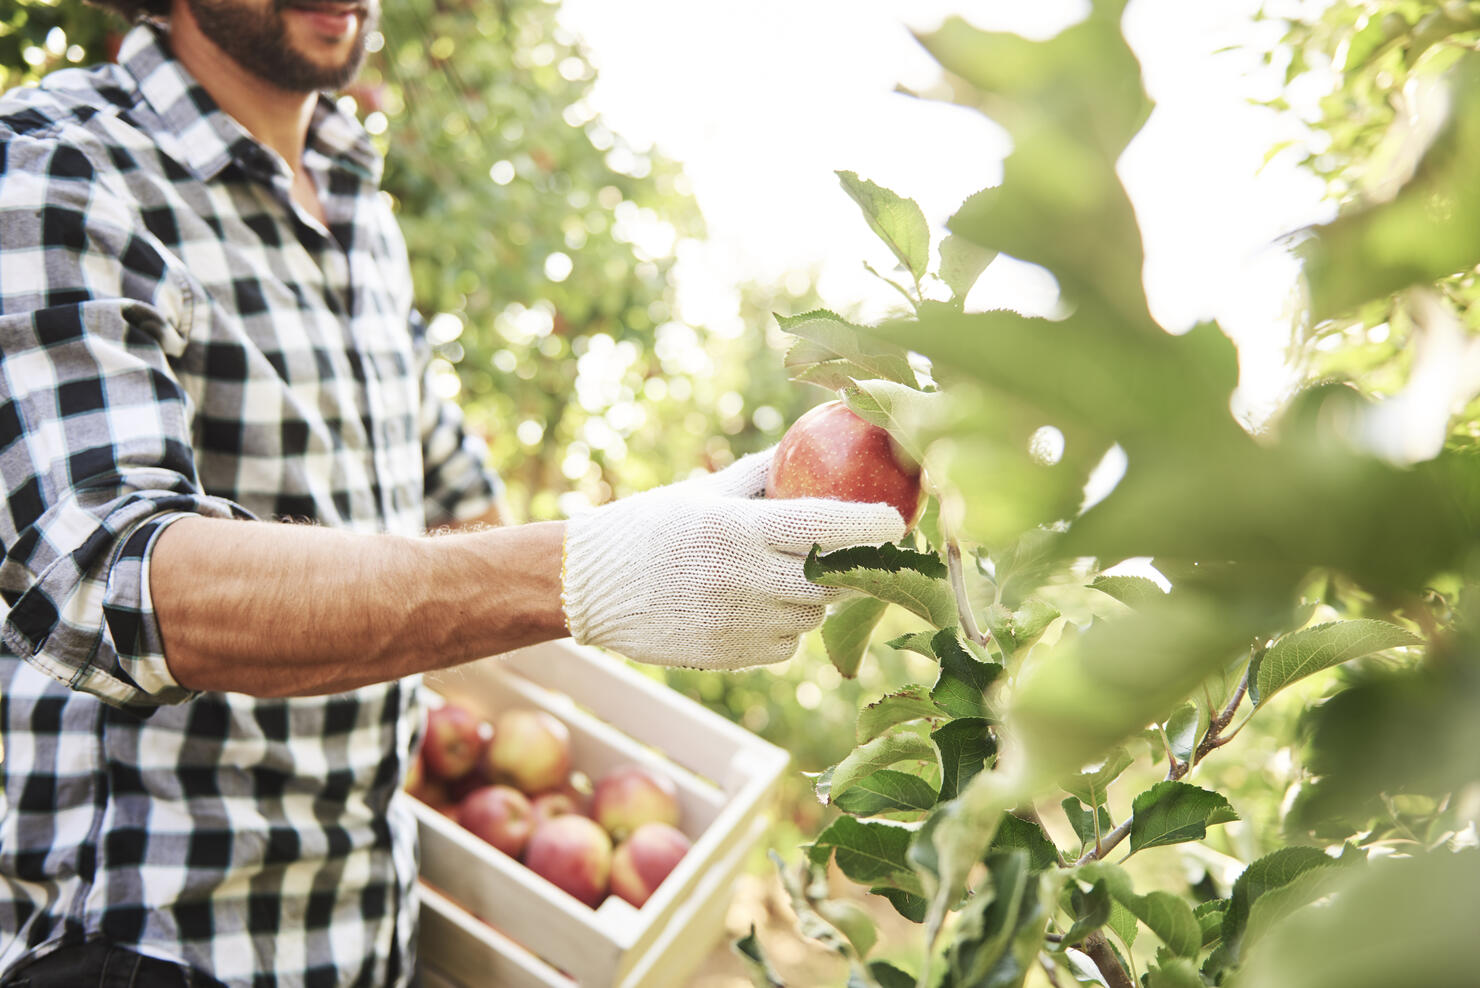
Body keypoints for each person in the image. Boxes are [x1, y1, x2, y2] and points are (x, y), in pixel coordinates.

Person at [0, 0, 905, 985]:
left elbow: (458, 515)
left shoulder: (357, 214)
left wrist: (734, 516)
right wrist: (583, 567)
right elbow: (112, 578)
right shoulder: (60, 167)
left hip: (362, 932)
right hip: (148, 943)